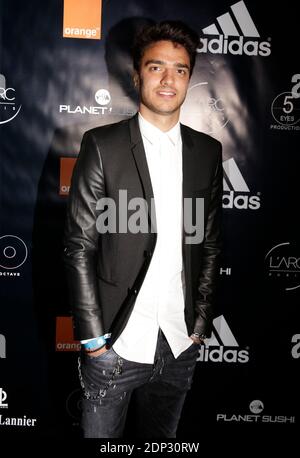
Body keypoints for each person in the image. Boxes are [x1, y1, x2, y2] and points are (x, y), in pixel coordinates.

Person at [63, 20, 223, 438]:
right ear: (137, 75)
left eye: (181, 69)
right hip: (115, 344)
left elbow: (208, 243)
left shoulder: (208, 152)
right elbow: (80, 245)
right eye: (157, 68)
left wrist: (199, 325)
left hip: (179, 342)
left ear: (189, 78)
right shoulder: (102, 145)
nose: (169, 79)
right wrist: (94, 338)